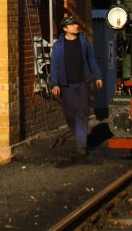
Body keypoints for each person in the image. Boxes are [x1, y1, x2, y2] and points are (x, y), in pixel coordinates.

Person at [49, 14, 103, 156]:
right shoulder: (58, 46)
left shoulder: (83, 42)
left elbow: (91, 59)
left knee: (82, 112)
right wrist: (55, 83)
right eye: (72, 25)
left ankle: (81, 144)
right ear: (65, 28)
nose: (76, 26)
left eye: (75, 24)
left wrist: (98, 76)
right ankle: (79, 133)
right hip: (66, 84)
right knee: (70, 114)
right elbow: (54, 66)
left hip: (82, 82)